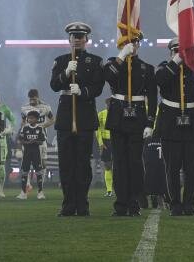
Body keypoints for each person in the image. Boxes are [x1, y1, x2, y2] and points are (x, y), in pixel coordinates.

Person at [49, 21, 105, 217]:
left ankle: (82, 203)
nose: (77, 40)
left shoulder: (96, 61)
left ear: (86, 39)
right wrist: (66, 73)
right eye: (74, 37)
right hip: (66, 116)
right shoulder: (61, 60)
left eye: (81, 37)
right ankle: (68, 204)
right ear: (69, 39)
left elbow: (98, 88)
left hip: (85, 116)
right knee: (66, 164)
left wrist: (82, 91)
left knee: (82, 164)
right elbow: (54, 86)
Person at [102, 35, 158, 217]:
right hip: (118, 116)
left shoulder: (146, 68)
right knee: (119, 162)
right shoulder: (114, 63)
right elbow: (107, 77)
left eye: (134, 43)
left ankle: (134, 203)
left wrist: (150, 122)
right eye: (128, 43)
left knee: (135, 163)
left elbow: (152, 97)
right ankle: (120, 203)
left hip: (137, 117)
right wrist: (121, 56)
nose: (132, 45)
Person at [155, 39, 194, 215]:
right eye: (176, 52)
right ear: (171, 53)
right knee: (171, 168)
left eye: (183, 52)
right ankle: (175, 204)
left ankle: (190, 204)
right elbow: (160, 81)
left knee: (191, 168)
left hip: (192, 124)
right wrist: (175, 62)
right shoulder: (165, 69)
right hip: (170, 125)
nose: (181, 55)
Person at [17, 110, 46, 199]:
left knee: (39, 172)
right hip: (27, 153)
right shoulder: (25, 128)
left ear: (37, 119)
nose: (30, 120)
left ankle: (40, 192)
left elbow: (42, 141)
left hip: (36, 153)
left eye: (32, 118)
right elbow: (20, 140)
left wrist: (35, 141)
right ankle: (23, 193)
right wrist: (27, 142)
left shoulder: (40, 128)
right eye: (28, 118)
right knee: (24, 172)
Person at [97, 99, 114, 197]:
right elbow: (97, 129)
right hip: (105, 142)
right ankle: (109, 190)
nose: (108, 106)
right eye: (107, 104)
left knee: (117, 166)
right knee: (107, 166)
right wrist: (100, 143)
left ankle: (119, 188)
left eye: (110, 104)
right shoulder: (101, 114)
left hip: (116, 141)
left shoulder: (117, 114)